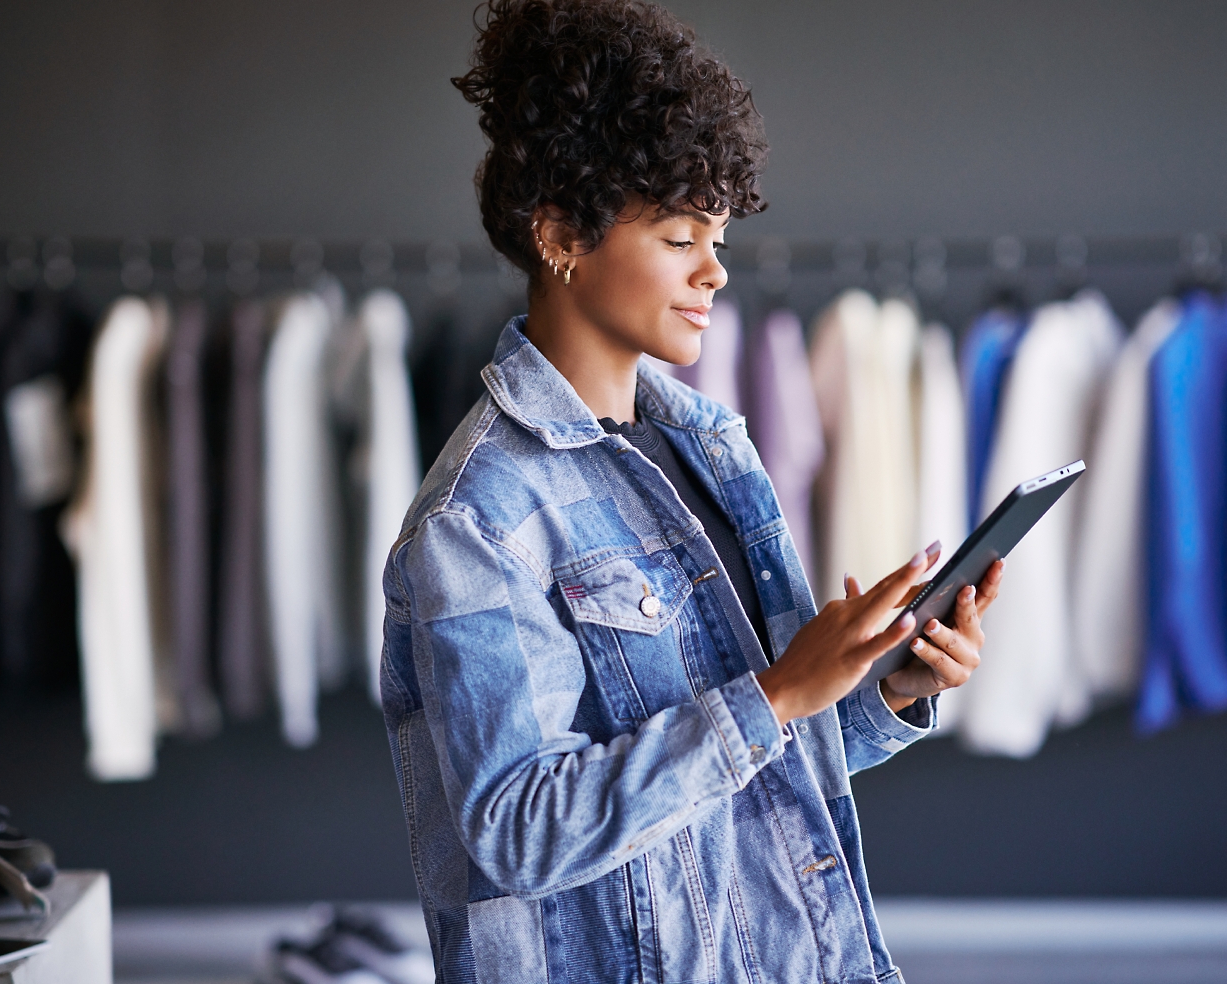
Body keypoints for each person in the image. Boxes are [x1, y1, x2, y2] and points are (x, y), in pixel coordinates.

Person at [380, 2, 1003, 981]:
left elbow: (758, 762)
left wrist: (883, 685)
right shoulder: (478, 522)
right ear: (558, 236)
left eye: (716, 236)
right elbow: (518, 830)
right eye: (680, 238)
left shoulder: (712, 447)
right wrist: (779, 690)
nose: (714, 271)